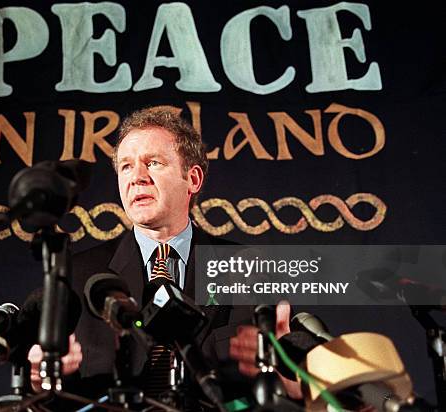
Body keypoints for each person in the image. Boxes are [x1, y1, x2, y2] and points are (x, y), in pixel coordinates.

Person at [28, 107, 301, 401]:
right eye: (126, 166)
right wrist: (42, 379)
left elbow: (300, 388)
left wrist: (290, 373)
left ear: (193, 179)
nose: (137, 178)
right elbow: (50, 396)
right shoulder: (79, 275)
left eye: (153, 163)